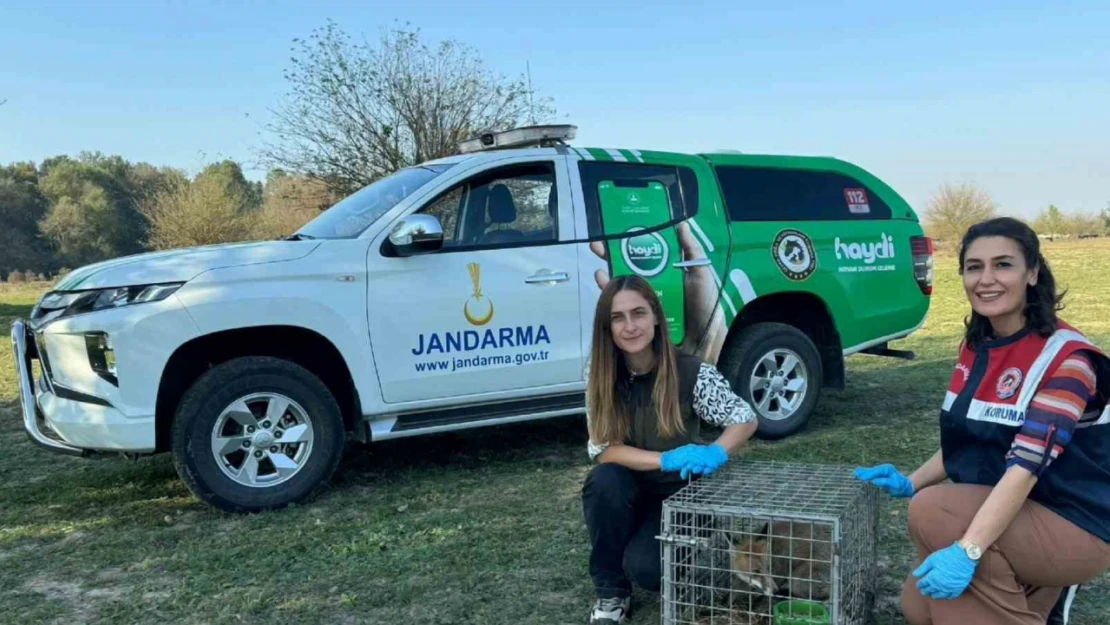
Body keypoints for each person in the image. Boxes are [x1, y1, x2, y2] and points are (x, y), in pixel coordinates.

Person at [854, 217, 1110, 625]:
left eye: (1003, 264)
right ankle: (1032, 597)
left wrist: (968, 550)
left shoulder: (1068, 359)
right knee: (918, 605)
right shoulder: (977, 347)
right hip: (1018, 510)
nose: (986, 279)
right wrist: (910, 481)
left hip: (1076, 522)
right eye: (974, 267)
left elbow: (1026, 469)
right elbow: (971, 436)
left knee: (936, 511)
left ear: (1032, 272)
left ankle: (1043, 587)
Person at [580, 274, 759, 625]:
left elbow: (745, 418)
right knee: (603, 481)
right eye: (618, 318)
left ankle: (651, 551)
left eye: (639, 313)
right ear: (607, 327)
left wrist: (716, 452)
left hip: (681, 493)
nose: (630, 326)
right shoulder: (599, 374)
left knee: (647, 571)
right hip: (628, 487)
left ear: (657, 317)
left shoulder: (691, 371)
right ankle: (611, 593)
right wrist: (665, 458)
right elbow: (603, 449)